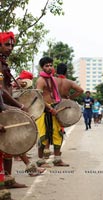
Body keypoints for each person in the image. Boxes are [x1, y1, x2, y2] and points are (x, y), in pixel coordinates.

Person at [0, 31, 29, 188]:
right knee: (6, 144)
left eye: (12, 44)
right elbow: (0, 90)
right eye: (7, 44)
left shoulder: (4, 63)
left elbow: (5, 87)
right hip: (1, 106)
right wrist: (19, 106)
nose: (10, 47)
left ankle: (9, 180)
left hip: (4, 106)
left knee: (8, 145)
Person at [35, 56, 69, 167]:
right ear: (42, 67)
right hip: (44, 111)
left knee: (58, 134)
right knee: (43, 136)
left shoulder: (52, 79)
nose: (49, 68)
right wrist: (50, 108)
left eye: (51, 65)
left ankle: (57, 159)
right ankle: (40, 161)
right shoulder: (40, 80)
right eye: (46, 66)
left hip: (54, 109)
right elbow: (38, 98)